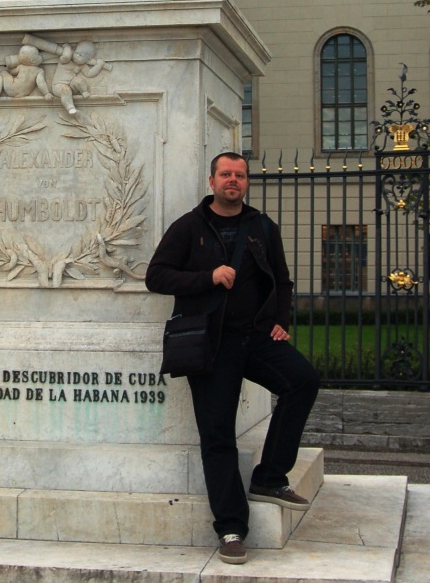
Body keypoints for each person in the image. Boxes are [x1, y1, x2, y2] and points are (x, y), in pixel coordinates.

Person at [145, 152, 320, 565]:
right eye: (226, 174)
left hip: (257, 338)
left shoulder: (262, 226)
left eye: (240, 175)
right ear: (212, 181)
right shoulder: (189, 227)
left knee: (303, 381)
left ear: (245, 183)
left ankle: (269, 477)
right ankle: (230, 528)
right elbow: (157, 275)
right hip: (211, 345)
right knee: (218, 435)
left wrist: (280, 320)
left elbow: (282, 280)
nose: (233, 181)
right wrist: (208, 277)